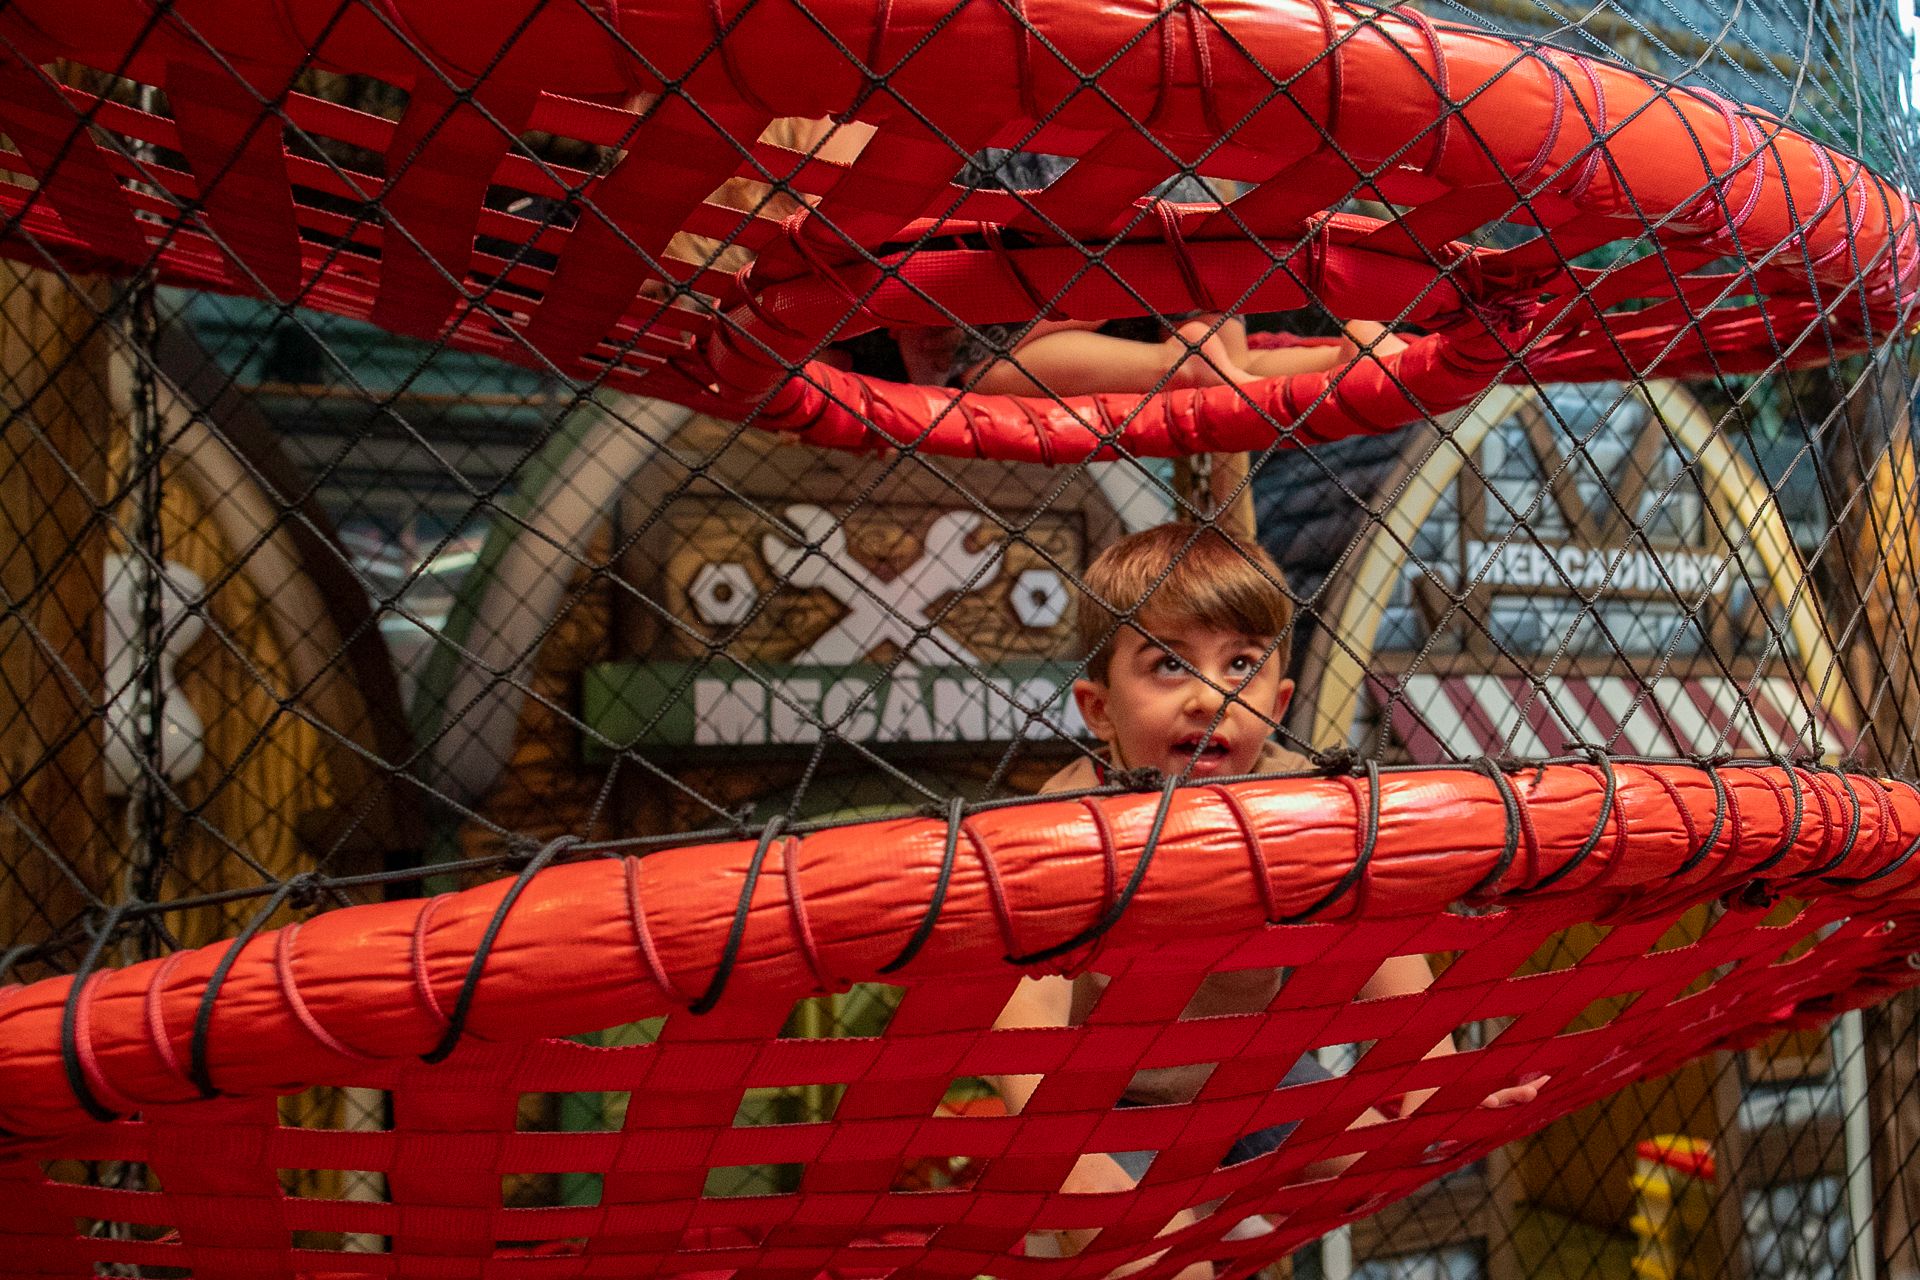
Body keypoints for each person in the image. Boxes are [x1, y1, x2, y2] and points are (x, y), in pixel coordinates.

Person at [990, 523, 1541, 1274]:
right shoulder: (1061, 828)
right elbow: (1021, 1026)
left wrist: (1433, 1078)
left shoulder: (1297, 795)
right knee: (1160, 1262)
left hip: (1254, 1075)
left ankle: (1249, 1206)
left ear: (1278, 700)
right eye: (1167, 666)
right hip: (1107, 1099)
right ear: (1098, 710)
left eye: (1240, 664)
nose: (1208, 696)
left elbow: (1373, 927)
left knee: (1367, 1165)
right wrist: (1072, 1164)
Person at [951, 313, 1408, 397]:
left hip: (1107, 223)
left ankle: (1178, 365)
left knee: (984, 375)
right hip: (1183, 206)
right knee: (1236, 362)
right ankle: (1335, 365)